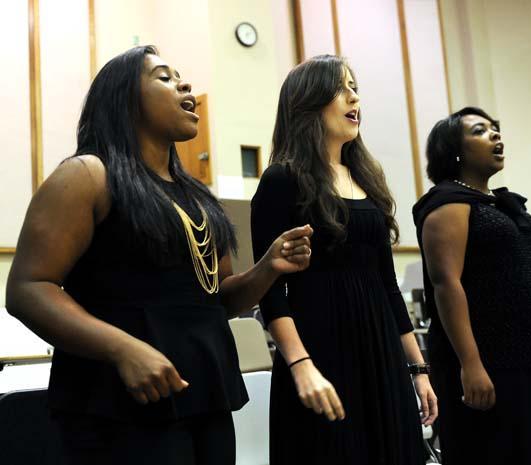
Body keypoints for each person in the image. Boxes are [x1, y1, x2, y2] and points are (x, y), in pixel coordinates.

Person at [5, 45, 313, 465]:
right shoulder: (87, 175)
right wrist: (123, 349)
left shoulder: (200, 199)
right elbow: (28, 288)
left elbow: (216, 300)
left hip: (205, 396)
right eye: (164, 77)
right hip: (118, 406)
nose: (184, 84)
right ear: (124, 100)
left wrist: (268, 268)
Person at [250, 54, 437, 465]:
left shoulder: (365, 178)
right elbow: (271, 291)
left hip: (382, 354)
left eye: (356, 88)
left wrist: (418, 369)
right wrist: (300, 364)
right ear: (309, 101)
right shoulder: (282, 178)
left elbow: (387, 285)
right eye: (342, 88)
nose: (355, 98)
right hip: (320, 351)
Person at [413, 107, 531, 465]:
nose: (496, 136)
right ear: (455, 150)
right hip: (488, 357)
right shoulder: (448, 203)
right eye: (481, 131)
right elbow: (445, 284)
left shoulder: (500, 204)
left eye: (496, 129)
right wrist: (471, 363)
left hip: (530, 355)